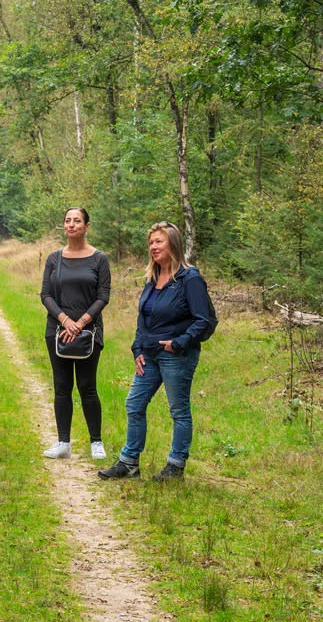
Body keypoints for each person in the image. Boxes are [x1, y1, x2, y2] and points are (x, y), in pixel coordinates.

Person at [99, 221, 218, 482]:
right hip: (149, 355)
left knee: (178, 409)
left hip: (177, 355)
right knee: (134, 403)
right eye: (151, 242)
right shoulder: (152, 278)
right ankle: (129, 463)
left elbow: (204, 320)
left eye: (159, 241)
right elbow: (143, 318)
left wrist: (178, 342)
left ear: (173, 243)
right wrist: (137, 348)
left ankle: (175, 466)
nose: (153, 247)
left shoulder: (190, 278)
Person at [39, 206, 112, 460]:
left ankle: (96, 442)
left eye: (77, 221)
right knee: (61, 387)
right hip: (57, 331)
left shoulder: (99, 259)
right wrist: (64, 320)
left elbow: (103, 296)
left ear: (87, 226)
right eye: (67, 220)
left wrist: (79, 323)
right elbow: (45, 295)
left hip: (88, 332)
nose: (71, 225)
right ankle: (63, 443)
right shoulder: (54, 258)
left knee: (87, 386)